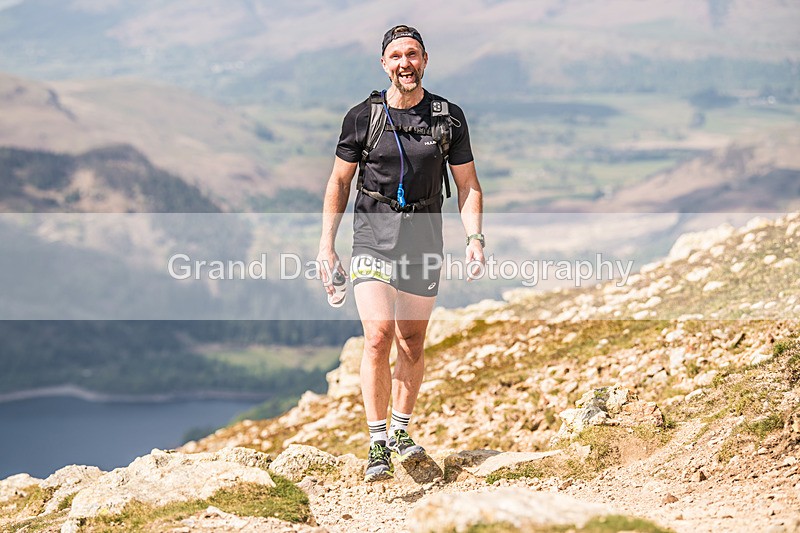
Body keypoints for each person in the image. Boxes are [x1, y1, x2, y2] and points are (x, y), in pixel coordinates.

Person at [317, 24, 485, 482]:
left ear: (425, 61)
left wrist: (475, 238)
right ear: (384, 65)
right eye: (396, 56)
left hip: (424, 240)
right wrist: (326, 246)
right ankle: (376, 443)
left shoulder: (448, 119)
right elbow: (339, 182)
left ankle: (400, 432)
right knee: (378, 336)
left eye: (412, 55)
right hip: (372, 236)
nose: (404, 63)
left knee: (411, 340)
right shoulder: (362, 118)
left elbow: (468, 185)